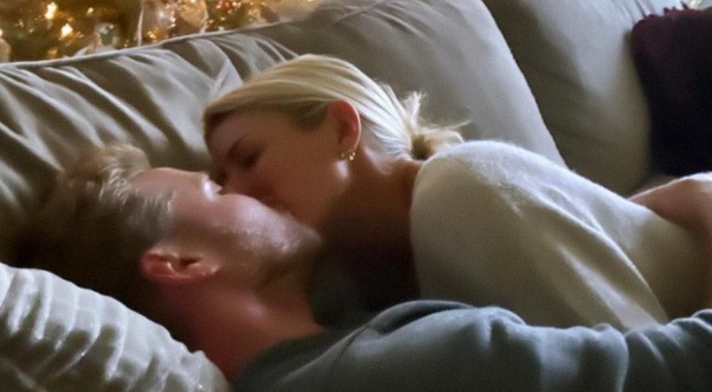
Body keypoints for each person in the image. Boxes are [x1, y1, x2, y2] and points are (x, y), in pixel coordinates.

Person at [19, 143, 712, 390]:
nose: (248, 191)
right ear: (181, 261)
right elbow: (676, 371)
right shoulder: (400, 368)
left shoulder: (349, 346)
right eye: (216, 188)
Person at [203, 54, 712, 330]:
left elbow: (656, 372)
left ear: (342, 128)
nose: (237, 196)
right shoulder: (359, 288)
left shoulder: (457, 189)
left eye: (248, 159)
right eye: (221, 183)